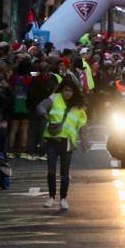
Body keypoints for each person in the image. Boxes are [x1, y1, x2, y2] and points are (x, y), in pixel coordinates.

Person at [37, 79, 88, 210]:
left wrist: (84, 141)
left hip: (68, 141)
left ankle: (63, 199)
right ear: (61, 89)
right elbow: (41, 106)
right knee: (51, 169)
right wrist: (44, 114)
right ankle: (51, 197)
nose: (67, 93)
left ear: (74, 92)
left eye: (70, 90)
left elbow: (82, 126)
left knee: (64, 172)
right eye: (65, 90)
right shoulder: (54, 98)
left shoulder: (79, 106)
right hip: (52, 140)